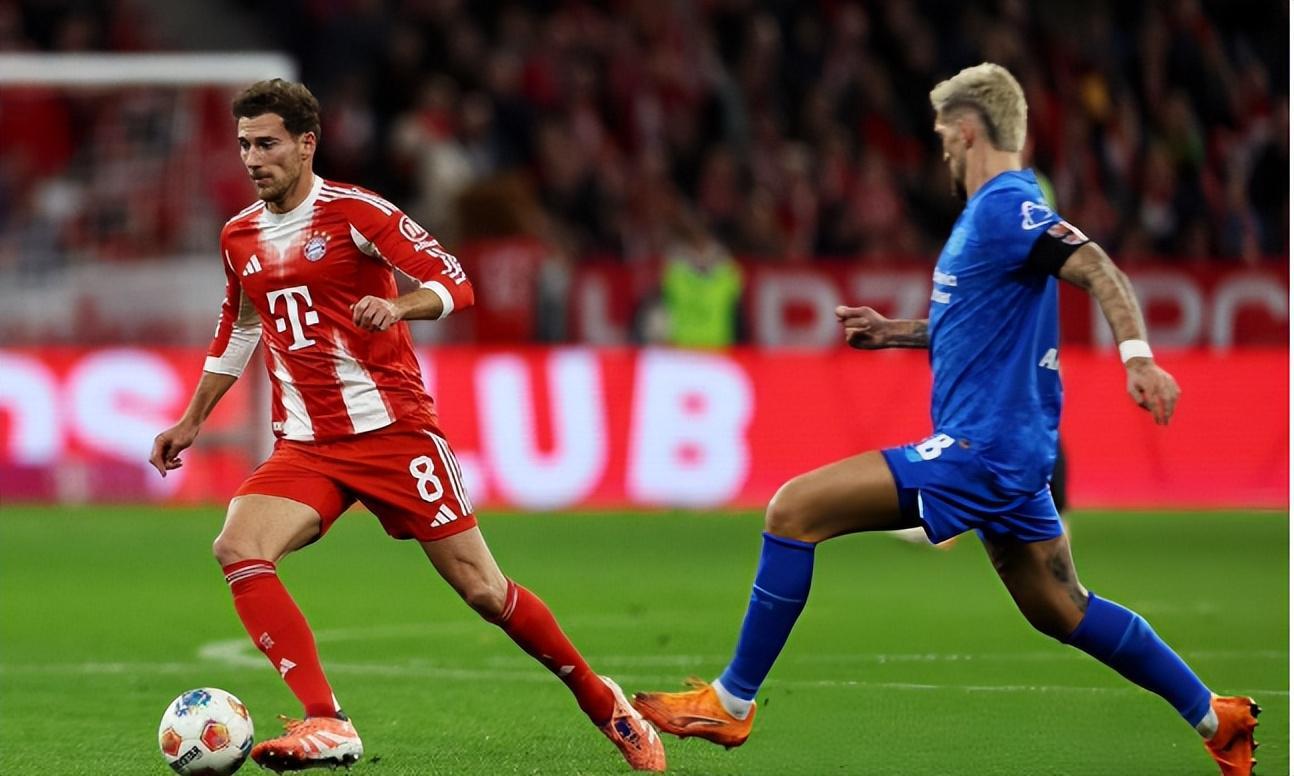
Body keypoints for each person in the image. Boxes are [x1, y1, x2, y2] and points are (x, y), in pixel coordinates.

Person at [631, 63, 1258, 776]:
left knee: (792, 509)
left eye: (941, 138)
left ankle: (732, 702)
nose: (941, 155)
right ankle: (1218, 719)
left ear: (967, 132)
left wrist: (1137, 358)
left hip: (981, 449)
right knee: (1064, 608)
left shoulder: (1007, 207)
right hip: (1010, 458)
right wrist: (894, 332)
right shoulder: (990, 217)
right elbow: (974, 326)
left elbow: (1098, 268)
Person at [149, 79, 664, 774]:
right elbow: (239, 327)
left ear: (307, 144)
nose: (252, 159)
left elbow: (454, 281)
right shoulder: (238, 235)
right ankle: (328, 722)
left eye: (267, 144)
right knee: (238, 546)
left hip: (393, 433)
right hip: (308, 443)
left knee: (485, 590)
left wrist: (400, 308)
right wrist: (192, 418)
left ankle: (605, 703)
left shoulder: (356, 212)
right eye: (244, 145)